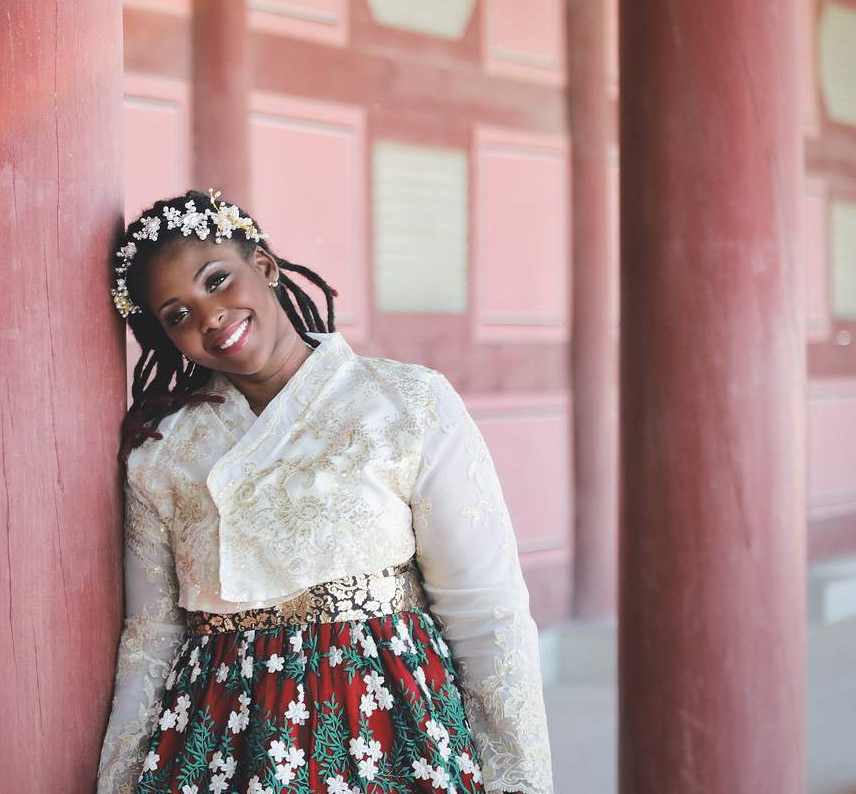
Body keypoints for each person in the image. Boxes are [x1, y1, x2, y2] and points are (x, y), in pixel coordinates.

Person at [96, 189, 553, 794]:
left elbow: (485, 610)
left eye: (217, 280)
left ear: (263, 267)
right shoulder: (162, 455)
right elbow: (152, 636)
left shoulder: (406, 403)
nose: (208, 315)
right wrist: (120, 778)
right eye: (177, 314)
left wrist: (518, 778)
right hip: (221, 741)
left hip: (390, 728)